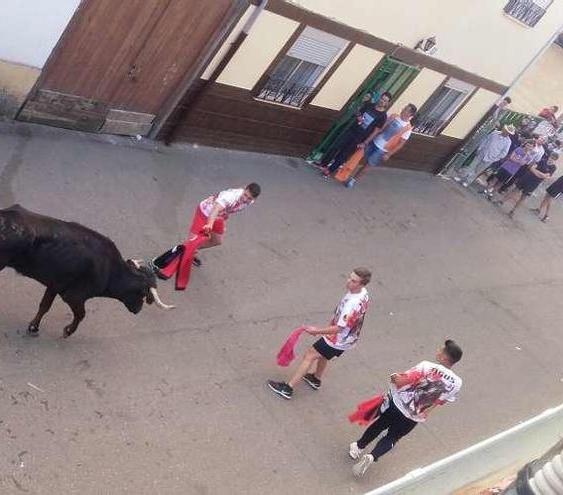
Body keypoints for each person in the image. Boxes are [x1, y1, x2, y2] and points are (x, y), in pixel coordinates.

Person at [350, 340, 464, 477]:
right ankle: (372, 456)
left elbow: (402, 381)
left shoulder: (427, 366)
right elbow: (442, 401)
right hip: (414, 416)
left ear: (444, 357)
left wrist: (393, 376)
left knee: (379, 425)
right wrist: (425, 412)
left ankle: (358, 447)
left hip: (398, 404)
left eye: (441, 350)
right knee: (393, 437)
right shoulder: (457, 383)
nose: (438, 351)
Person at [267, 267, 371, 400]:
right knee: (323, 356)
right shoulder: (364, 293)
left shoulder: (352, 303)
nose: (348, 282)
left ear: (362, 284)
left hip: (337, 339)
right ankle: (316, 379)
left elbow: (339, 328)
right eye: (350, 278)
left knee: (309, 355)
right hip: (348, 339)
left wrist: (316, 331)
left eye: (353, 281)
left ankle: (288, 388)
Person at [152, 183, 260, 271]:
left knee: (216, 241)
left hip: (219, 217)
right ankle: (156, 263)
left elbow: (228, 210)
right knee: (190, 243)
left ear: (253, 199)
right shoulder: (230, 197)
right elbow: (215, 210)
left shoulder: (248, 202)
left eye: (249, 198)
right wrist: (209, 225)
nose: (246, 199)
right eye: (245, 195)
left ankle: (191, 251)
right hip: (205, 213)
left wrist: (223, 221)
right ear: (244, 188)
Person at [345, 104, 418, 188]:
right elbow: (381, 124)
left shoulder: (408, 128)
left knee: (368, 164)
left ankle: (353, 180)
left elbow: (401, 144)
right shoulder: (394, 116)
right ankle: (345, 172)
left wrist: (389, 154)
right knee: (357, 156)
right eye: (404, 108)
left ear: (409, 114)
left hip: (383, 150)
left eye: (405, 109)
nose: (402, 109)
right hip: (374, 141)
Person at [321, 92, 391, 178]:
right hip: (352, 130)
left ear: (387, 103)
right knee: (337, 146)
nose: (382, 101)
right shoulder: (369, 105)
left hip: (360, 137)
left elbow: (376, 131)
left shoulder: (383, 116)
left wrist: (365, 143)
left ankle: (330, 170)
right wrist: (359, 117)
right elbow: (358, 112)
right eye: (382, 98)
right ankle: (324, 164)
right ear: (379, 98)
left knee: (344, 154)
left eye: (385, 101)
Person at [495, 151, 557, 218]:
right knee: (515, 190)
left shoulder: (553, 168)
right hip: (527, 178)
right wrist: (539, 174)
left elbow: (545, 176)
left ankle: (513, 211)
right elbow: (532, 168)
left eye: (553, 158)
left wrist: (537, 173)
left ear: (555, 160)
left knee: (523, 197)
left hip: (534, 183)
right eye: (551, 157)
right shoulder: (542, 161)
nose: (551, 159)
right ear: (549, 156)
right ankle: (501, 202)